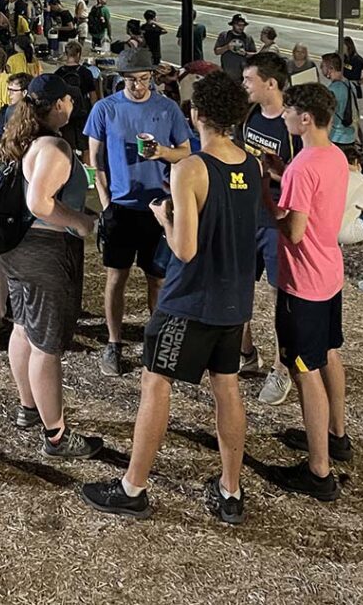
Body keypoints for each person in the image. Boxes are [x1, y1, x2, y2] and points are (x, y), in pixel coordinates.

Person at [82, 70, 261, 524]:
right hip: (234, 298)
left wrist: (164, 215)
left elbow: (184, 248)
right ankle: (230, 490)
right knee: (227, 388)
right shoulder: (251, 163)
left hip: (188, 299)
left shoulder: (190, 168)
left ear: (196, 114)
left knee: (155, 382)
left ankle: (133, 487)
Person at [0, 74, 102, 459]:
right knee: (47, 345)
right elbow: (40, 202)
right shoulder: (54, 147)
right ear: (58, 105)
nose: (72, 106)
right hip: (45, 250)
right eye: (69, 102)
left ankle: (29, 408)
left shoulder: (24, 139)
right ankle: (56, 434)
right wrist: (79, 221)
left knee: (23, 327)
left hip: (19, 249)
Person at [266, 82, 351, 501]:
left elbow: (295, 231)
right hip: (329, 273)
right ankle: (337, 435)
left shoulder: (303, 167)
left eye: (287, 111)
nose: (281, 115)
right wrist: (284, 174)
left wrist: (269, 204)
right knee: (329, 353)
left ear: (304, 119)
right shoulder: (333, 157)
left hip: (303, 283)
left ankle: (319, 471)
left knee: (304, 370)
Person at [85, 48, 191, 378]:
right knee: (116, 278)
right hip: (120, 208)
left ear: (152, 77)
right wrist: (105, 204)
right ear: (120, 79)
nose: (138, 86)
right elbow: (95, 161)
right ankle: (114, 344)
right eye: (131, 80)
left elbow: (185, 153)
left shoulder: (167, 108)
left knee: (156, 279)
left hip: (157, 208)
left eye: (144, 79)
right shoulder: (105, 109)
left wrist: (161, 152)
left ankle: (156, 341)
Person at [234, 52, 301, 405]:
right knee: (239, 285)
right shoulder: (248, 117)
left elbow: (305, 177)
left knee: (280, 299)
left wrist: (277, 174)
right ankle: (246, 353)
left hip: (276, 223)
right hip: (248, 217)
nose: (244, 85)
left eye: (249, 80)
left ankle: (281, 368)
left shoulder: (291, 126)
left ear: (270, 84)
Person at [321, 52, 358, 150]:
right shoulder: (350, 84)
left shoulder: (333, 90)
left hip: (336, 137)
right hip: (350, 135)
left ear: (331, 68)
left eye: (323, 66)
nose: (321, 69)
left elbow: (327, 115)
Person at [214, 13, 257, 82]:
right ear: (233, 24)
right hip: (226, 74)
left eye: (243, 25)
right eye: (239, 25)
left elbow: (255, 55)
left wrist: (245, 54)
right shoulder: (224, 36)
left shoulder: (248, 38)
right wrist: (227, 47)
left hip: (242, 77)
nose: (241, 27)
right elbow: (216, 51)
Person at [0, 72, 32, 143]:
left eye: (13, 91)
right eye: (8, 89)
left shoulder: (36, 113)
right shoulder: (7, 111)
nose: (9, 94)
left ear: (24, 92)